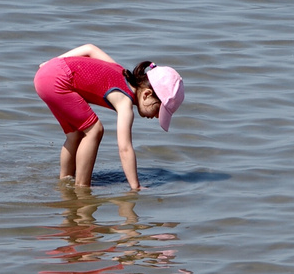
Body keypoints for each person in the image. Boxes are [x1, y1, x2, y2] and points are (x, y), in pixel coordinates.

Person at [34, 44, 185, 192]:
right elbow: (125, 149)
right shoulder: (125, 103)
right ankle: (82, 187)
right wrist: (135, 186)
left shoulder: (119, 70)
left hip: (47, 74)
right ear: (147, 94)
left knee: (75, 134)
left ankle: (65, 182)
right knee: (94, 130)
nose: (157, 116)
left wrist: (52, 63)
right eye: (159, 110)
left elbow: (90, 49)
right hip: (58, 82)